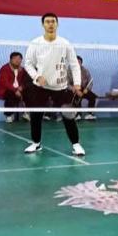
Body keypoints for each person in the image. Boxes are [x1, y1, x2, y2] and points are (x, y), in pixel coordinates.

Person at [22, 13, 85, 156]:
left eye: (53, 21)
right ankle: (36, 143)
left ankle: (76, 144)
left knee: (68, 116)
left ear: (57, 24)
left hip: (60, 87)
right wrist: (37, 77)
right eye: (47, 21)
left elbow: (74, 64)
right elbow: (28, 64)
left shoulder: (65, 43)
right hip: (41, 87)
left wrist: (77, 83)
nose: (50, 24)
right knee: (36, 116)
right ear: (43, 24)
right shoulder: (35, 43)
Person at [0, 51, 31, 123]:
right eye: (15, 59)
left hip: (18, 90)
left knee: (30, 92)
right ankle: (9, 115)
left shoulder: (22, 70)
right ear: (10, 60)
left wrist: (22, 87)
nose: (17, 61)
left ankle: (26, 113)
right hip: (4, 91)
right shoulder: (4, 69)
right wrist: (15, 90)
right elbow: (4, 83)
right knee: (10, 94)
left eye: (19, 59)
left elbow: (27, 80)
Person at [73, 55, 97, 121]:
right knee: (76, 98)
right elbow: (68, 83)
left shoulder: (85, 71)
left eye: (79, 62)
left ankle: (90, 114)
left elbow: (90, 82)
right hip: (75, 89)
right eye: (76, 62)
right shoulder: (70, 71)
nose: (77, 64)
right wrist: (76, 90)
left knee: (92, 97)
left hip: (84, 89)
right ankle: (78, 114)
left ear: (81, 63)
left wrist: (87, 89)